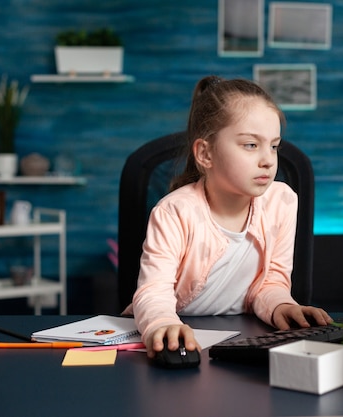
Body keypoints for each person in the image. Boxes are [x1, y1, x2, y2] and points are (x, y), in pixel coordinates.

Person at [124, 75, 332, 359]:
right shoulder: (174, 212)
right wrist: (163, 323)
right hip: (180, 341)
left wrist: (283, 306)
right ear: (205, 154)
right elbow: (153, 291)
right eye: (250, 145)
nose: (268, 160)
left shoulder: (282, 202)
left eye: (273, 146)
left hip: (243, 342)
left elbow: (271, 283)